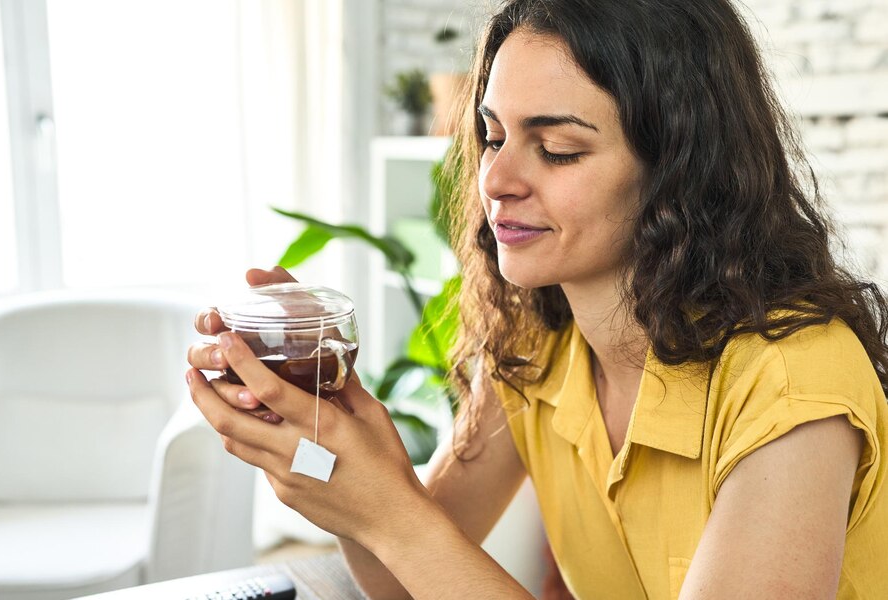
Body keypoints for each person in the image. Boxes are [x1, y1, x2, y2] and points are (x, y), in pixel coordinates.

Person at [186, 0, 888, 597]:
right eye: (492, 136)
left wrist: (392, 512)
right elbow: (403, 579)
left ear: (681, 170)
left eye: (556, 148)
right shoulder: (535, 347)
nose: (495, 180)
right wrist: (332, 441)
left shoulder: (794, 384)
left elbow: (409, 535)